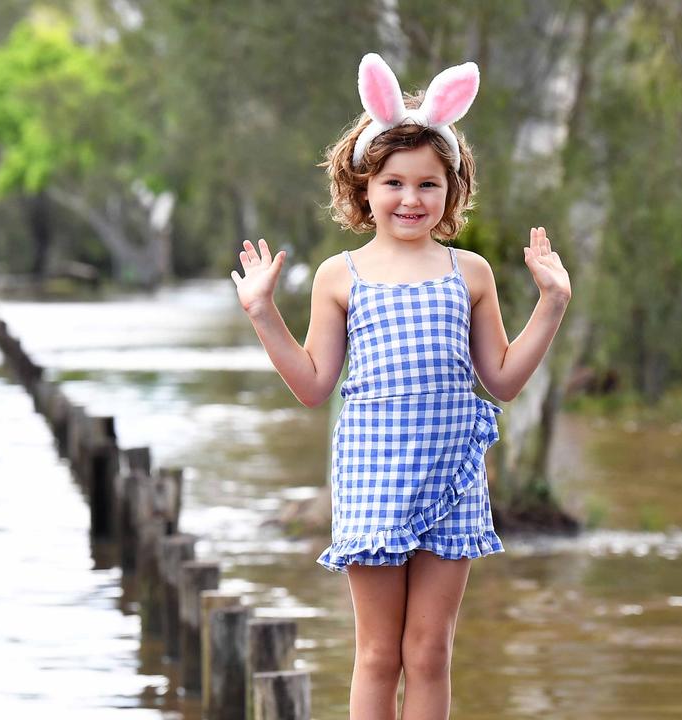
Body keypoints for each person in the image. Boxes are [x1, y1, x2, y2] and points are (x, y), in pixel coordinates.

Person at [229, 54, 571, 719]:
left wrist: (552, 303)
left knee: (430, 651)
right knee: (379, 654)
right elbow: (312, 384)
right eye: (393, 182)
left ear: (453, 190)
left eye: (428, 184)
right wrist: (262, 313)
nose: (411, 199)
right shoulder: (340, 275)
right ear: (364, 187)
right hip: (372, 475)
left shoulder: (469, 273)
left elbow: (500, 380)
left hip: (452, 477)